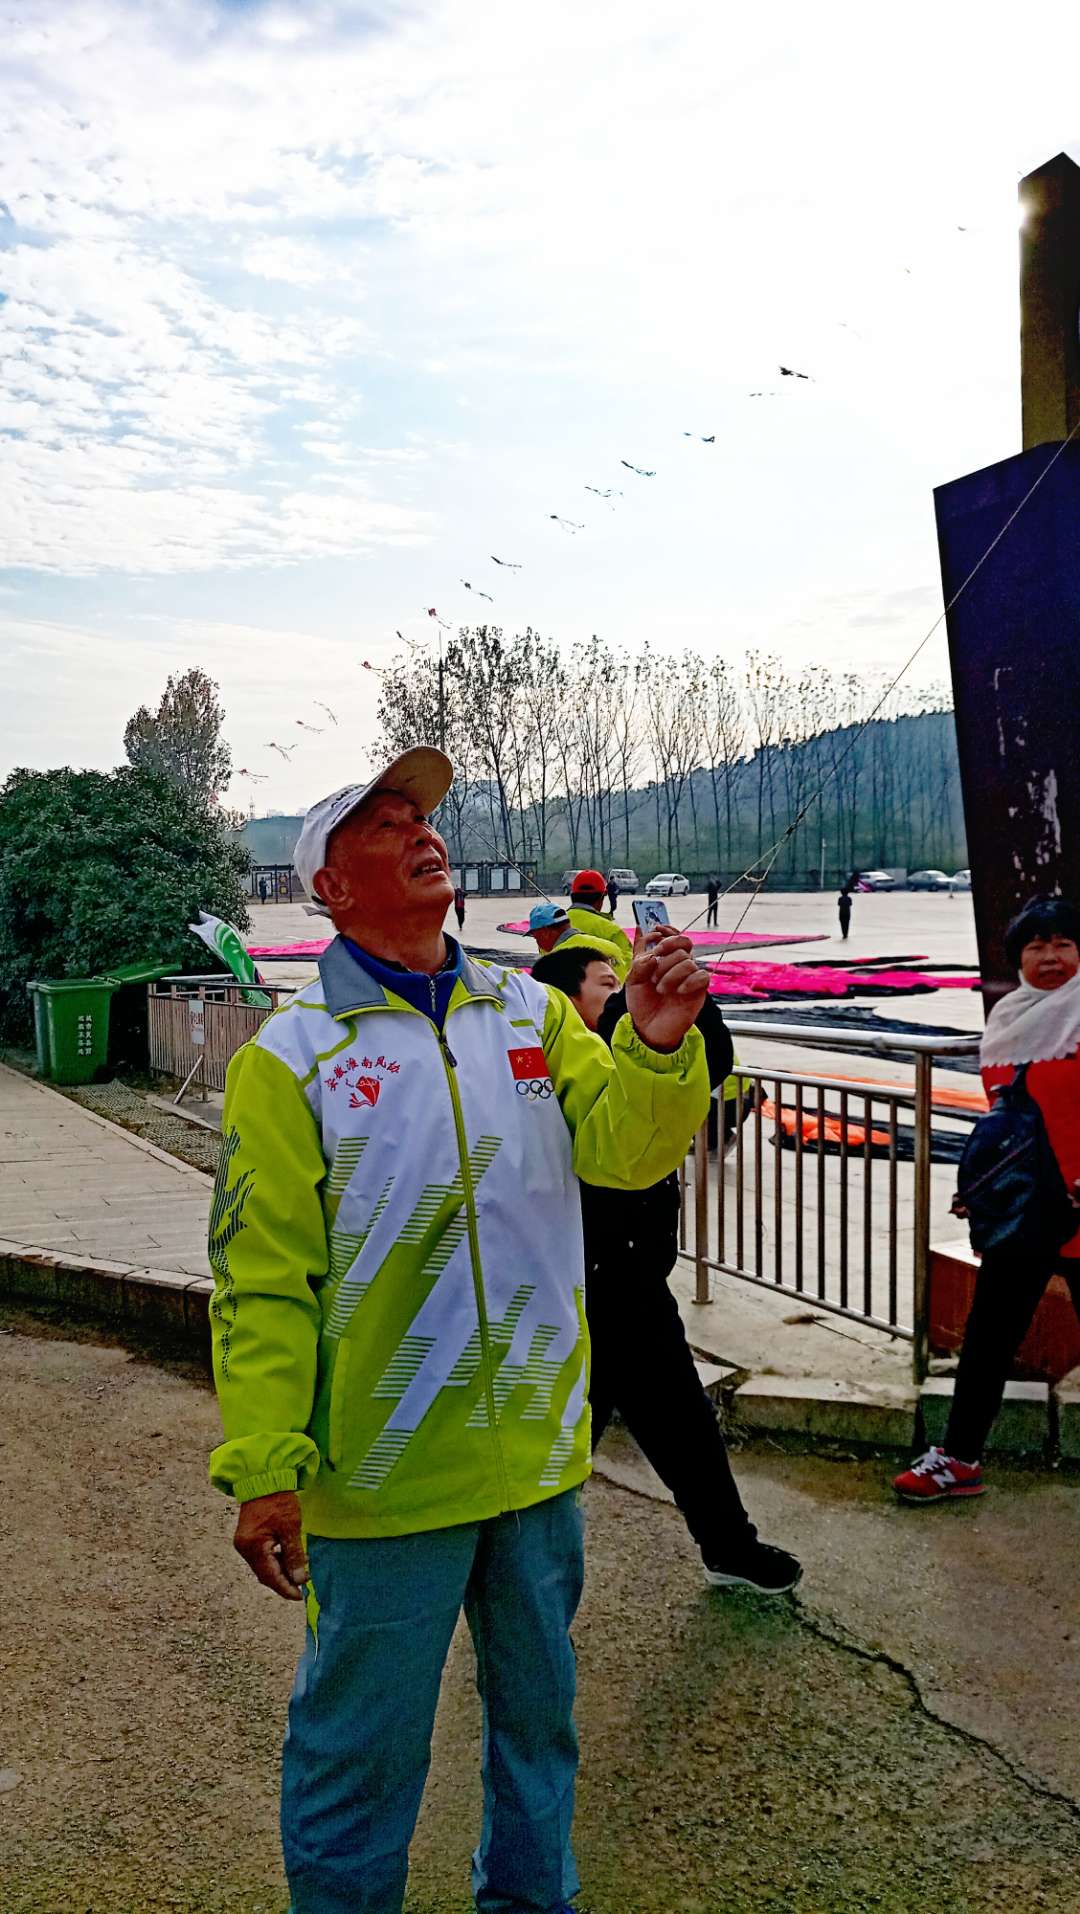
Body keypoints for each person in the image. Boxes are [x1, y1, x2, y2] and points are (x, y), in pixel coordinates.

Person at [206, 746, 711, 1914]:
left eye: (423, 817)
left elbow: (623, 1154)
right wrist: (266, 1461)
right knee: (360, 1754)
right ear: (329, 887)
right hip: (382, 1477)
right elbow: (260, 1282)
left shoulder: (530, 1012)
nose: (423, 833)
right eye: (385, 825)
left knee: (540, 1731)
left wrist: (655, 1044)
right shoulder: (293, 1060)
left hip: (536, 1460)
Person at [531, 943, 802, 1594]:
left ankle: (729, 1546)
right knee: (558, 1452)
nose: (620, 992)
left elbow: (715, 1063)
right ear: (563, 1004)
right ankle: (523, 1598)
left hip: (636, 1285)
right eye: (606, 984)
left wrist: (682, 1005)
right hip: (572, 1295)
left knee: (684, 1426)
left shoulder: (642, 1057)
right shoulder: (552, 1078)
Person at [894, 894, 1080, 1504]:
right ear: (1018, 958)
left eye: (1063, 943)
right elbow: (1006, 1123)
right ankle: (959, 1459)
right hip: (1025, 1213)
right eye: (1037, 945)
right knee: (989, 1339)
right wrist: (984, 1190)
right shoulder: (1009, 1020)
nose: (1050, 956)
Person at [528, 898, 632, 981]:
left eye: (536, 937)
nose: (538, 943)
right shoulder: (612, 947)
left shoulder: (553, 962)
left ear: (545, 932)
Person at [567, 869, 634, 977]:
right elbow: (628, 972)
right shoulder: (612, 931)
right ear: (603, 895)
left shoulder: (553, 927)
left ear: (572, 895)